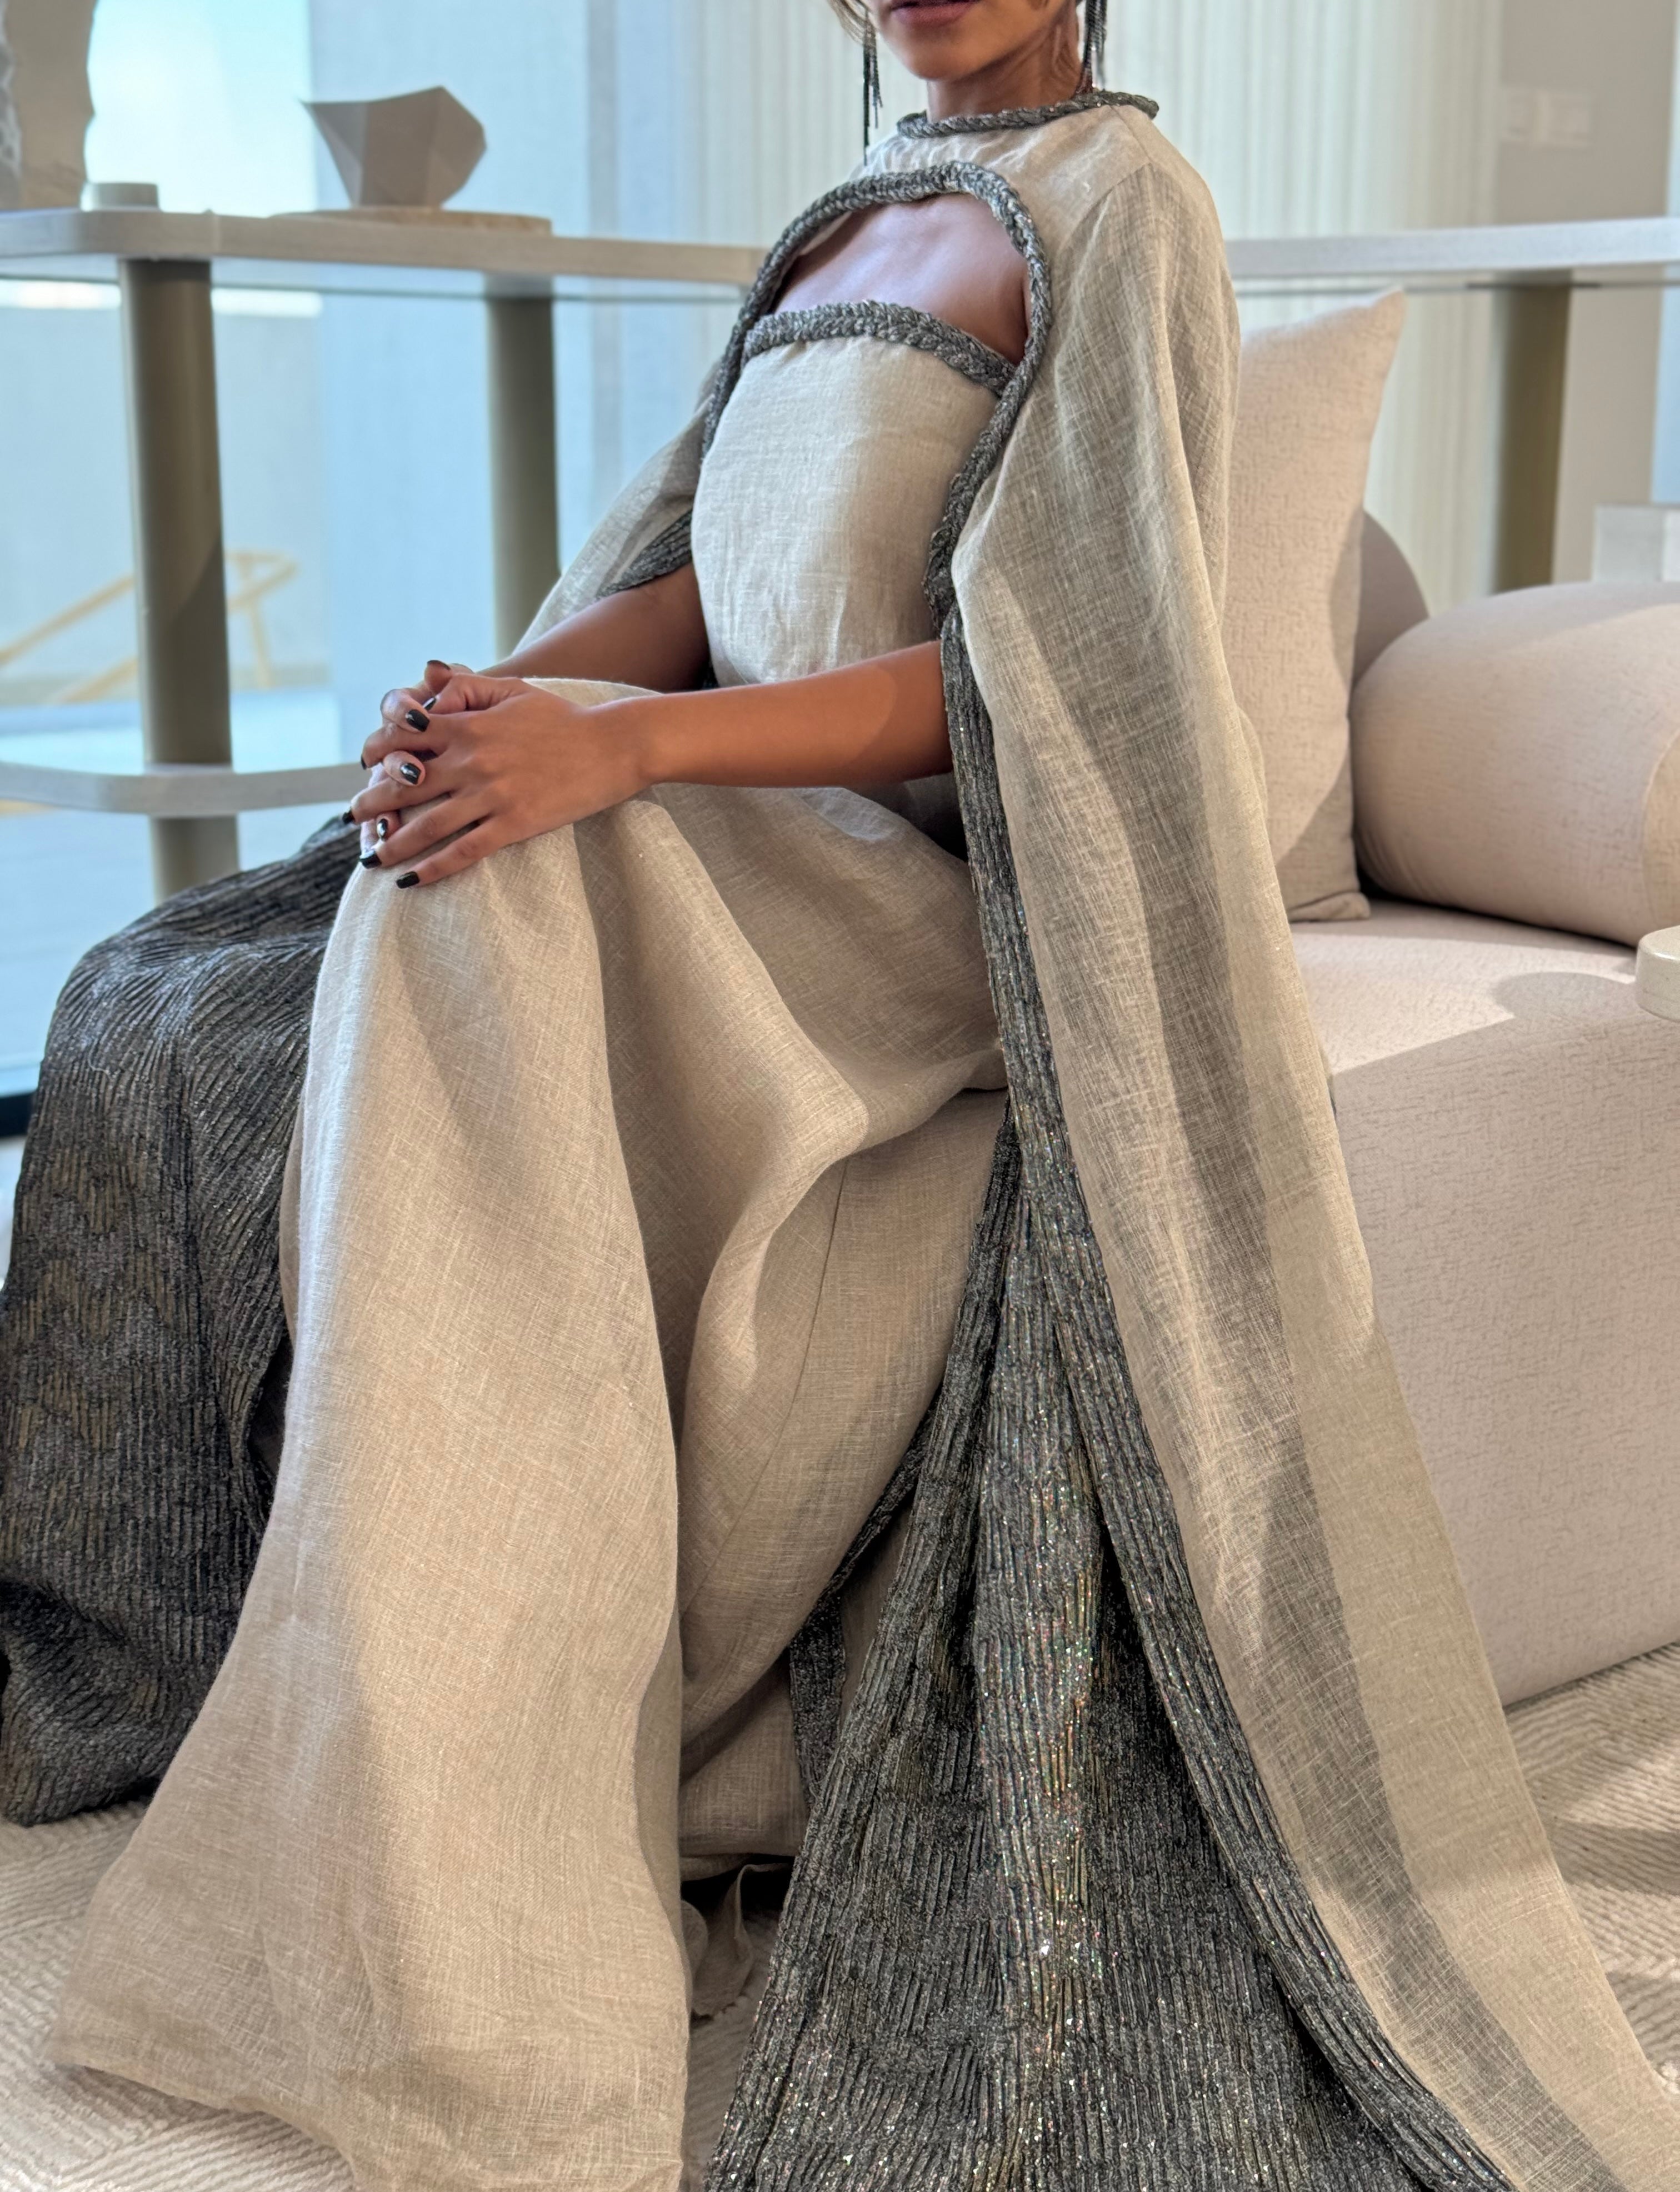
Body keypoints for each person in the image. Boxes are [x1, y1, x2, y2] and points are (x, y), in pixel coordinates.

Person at [4, 3, 1676, 2189]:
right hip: (740, 839)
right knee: (174, 989)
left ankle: (477, 1865)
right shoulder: (847, 218)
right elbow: (700, 593)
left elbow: (1053, 666)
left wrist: (620, 758)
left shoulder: (1123, 204)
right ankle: (273, 1680)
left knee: (473, 920)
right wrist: (498, 708)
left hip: (926, 901)